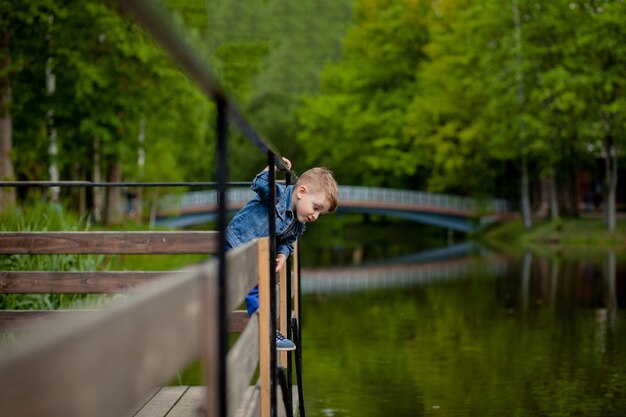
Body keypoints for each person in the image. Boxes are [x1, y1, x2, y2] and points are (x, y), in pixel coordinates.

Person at [225, 157, 338, 350]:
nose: (315, 216)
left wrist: (283, 254)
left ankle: (266, 328)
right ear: (301, 192)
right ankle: (266, 330)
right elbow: (260, 184)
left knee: (259, 287)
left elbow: (288, 242)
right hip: (235, 242)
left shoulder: (297, 223)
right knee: (249, 286)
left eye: (320, 214)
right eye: (316, 208)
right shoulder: (276, 196)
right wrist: (272, 166)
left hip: (255, 254)